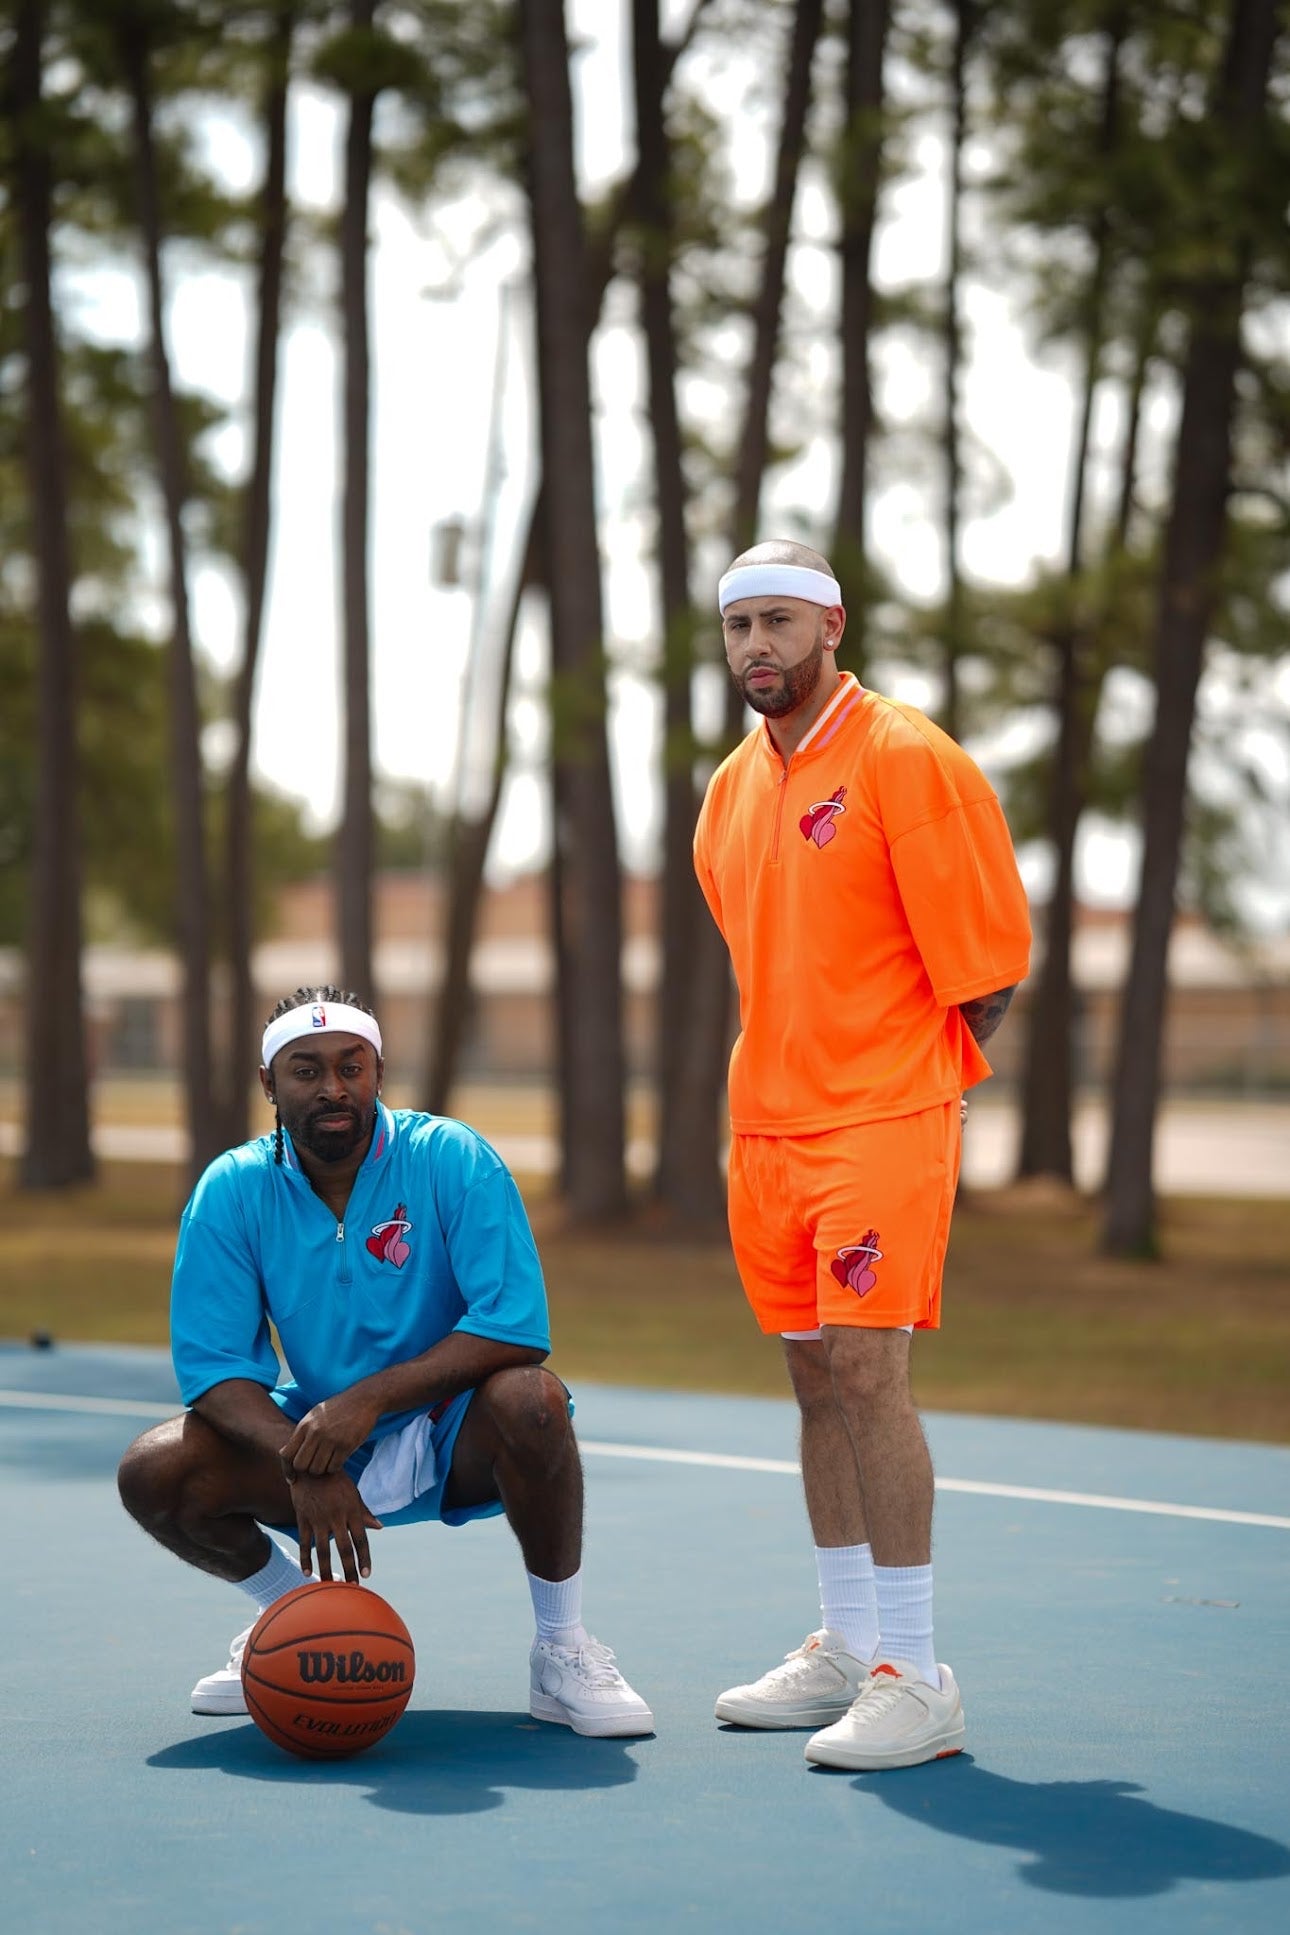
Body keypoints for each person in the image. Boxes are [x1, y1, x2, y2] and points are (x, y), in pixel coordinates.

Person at [693, 540, 1031, 1771]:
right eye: (739, 629)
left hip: (881, 1120)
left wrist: (893, 1073)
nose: (757, 649)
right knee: (812, 1382)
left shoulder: (906, 757)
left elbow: (985, 974)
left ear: (832, 624)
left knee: (867, 1372)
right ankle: (845, 1641)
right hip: (768, 1129)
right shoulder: (731, 789)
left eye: (779, 623)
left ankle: (915, 1669)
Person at [117, 986, 653, 1739]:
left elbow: (515, 1326)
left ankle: (562, 1649)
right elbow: (214, 1371)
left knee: (533, 1399)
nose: (332, 1087)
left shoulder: (450, 1156)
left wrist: (364, 1401)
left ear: (377, 1072)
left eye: (351, 1066)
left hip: (452, 1431)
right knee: (156, 1468)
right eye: (305, 1070)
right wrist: (306, 1460)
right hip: (316, 1440)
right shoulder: (232, 1189)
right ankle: (295, 1620)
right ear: (269, 1083)